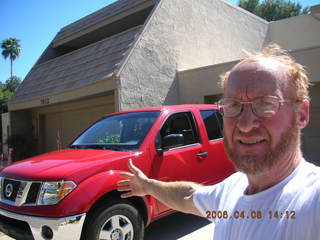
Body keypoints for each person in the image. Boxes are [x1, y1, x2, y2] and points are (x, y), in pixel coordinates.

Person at [117, 44, 320, 239]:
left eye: (266, 103)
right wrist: (148, 186)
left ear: (301, 114)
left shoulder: (313, 199)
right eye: (233, 104)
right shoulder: (232, 188)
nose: (245, 124)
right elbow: (189, 197)